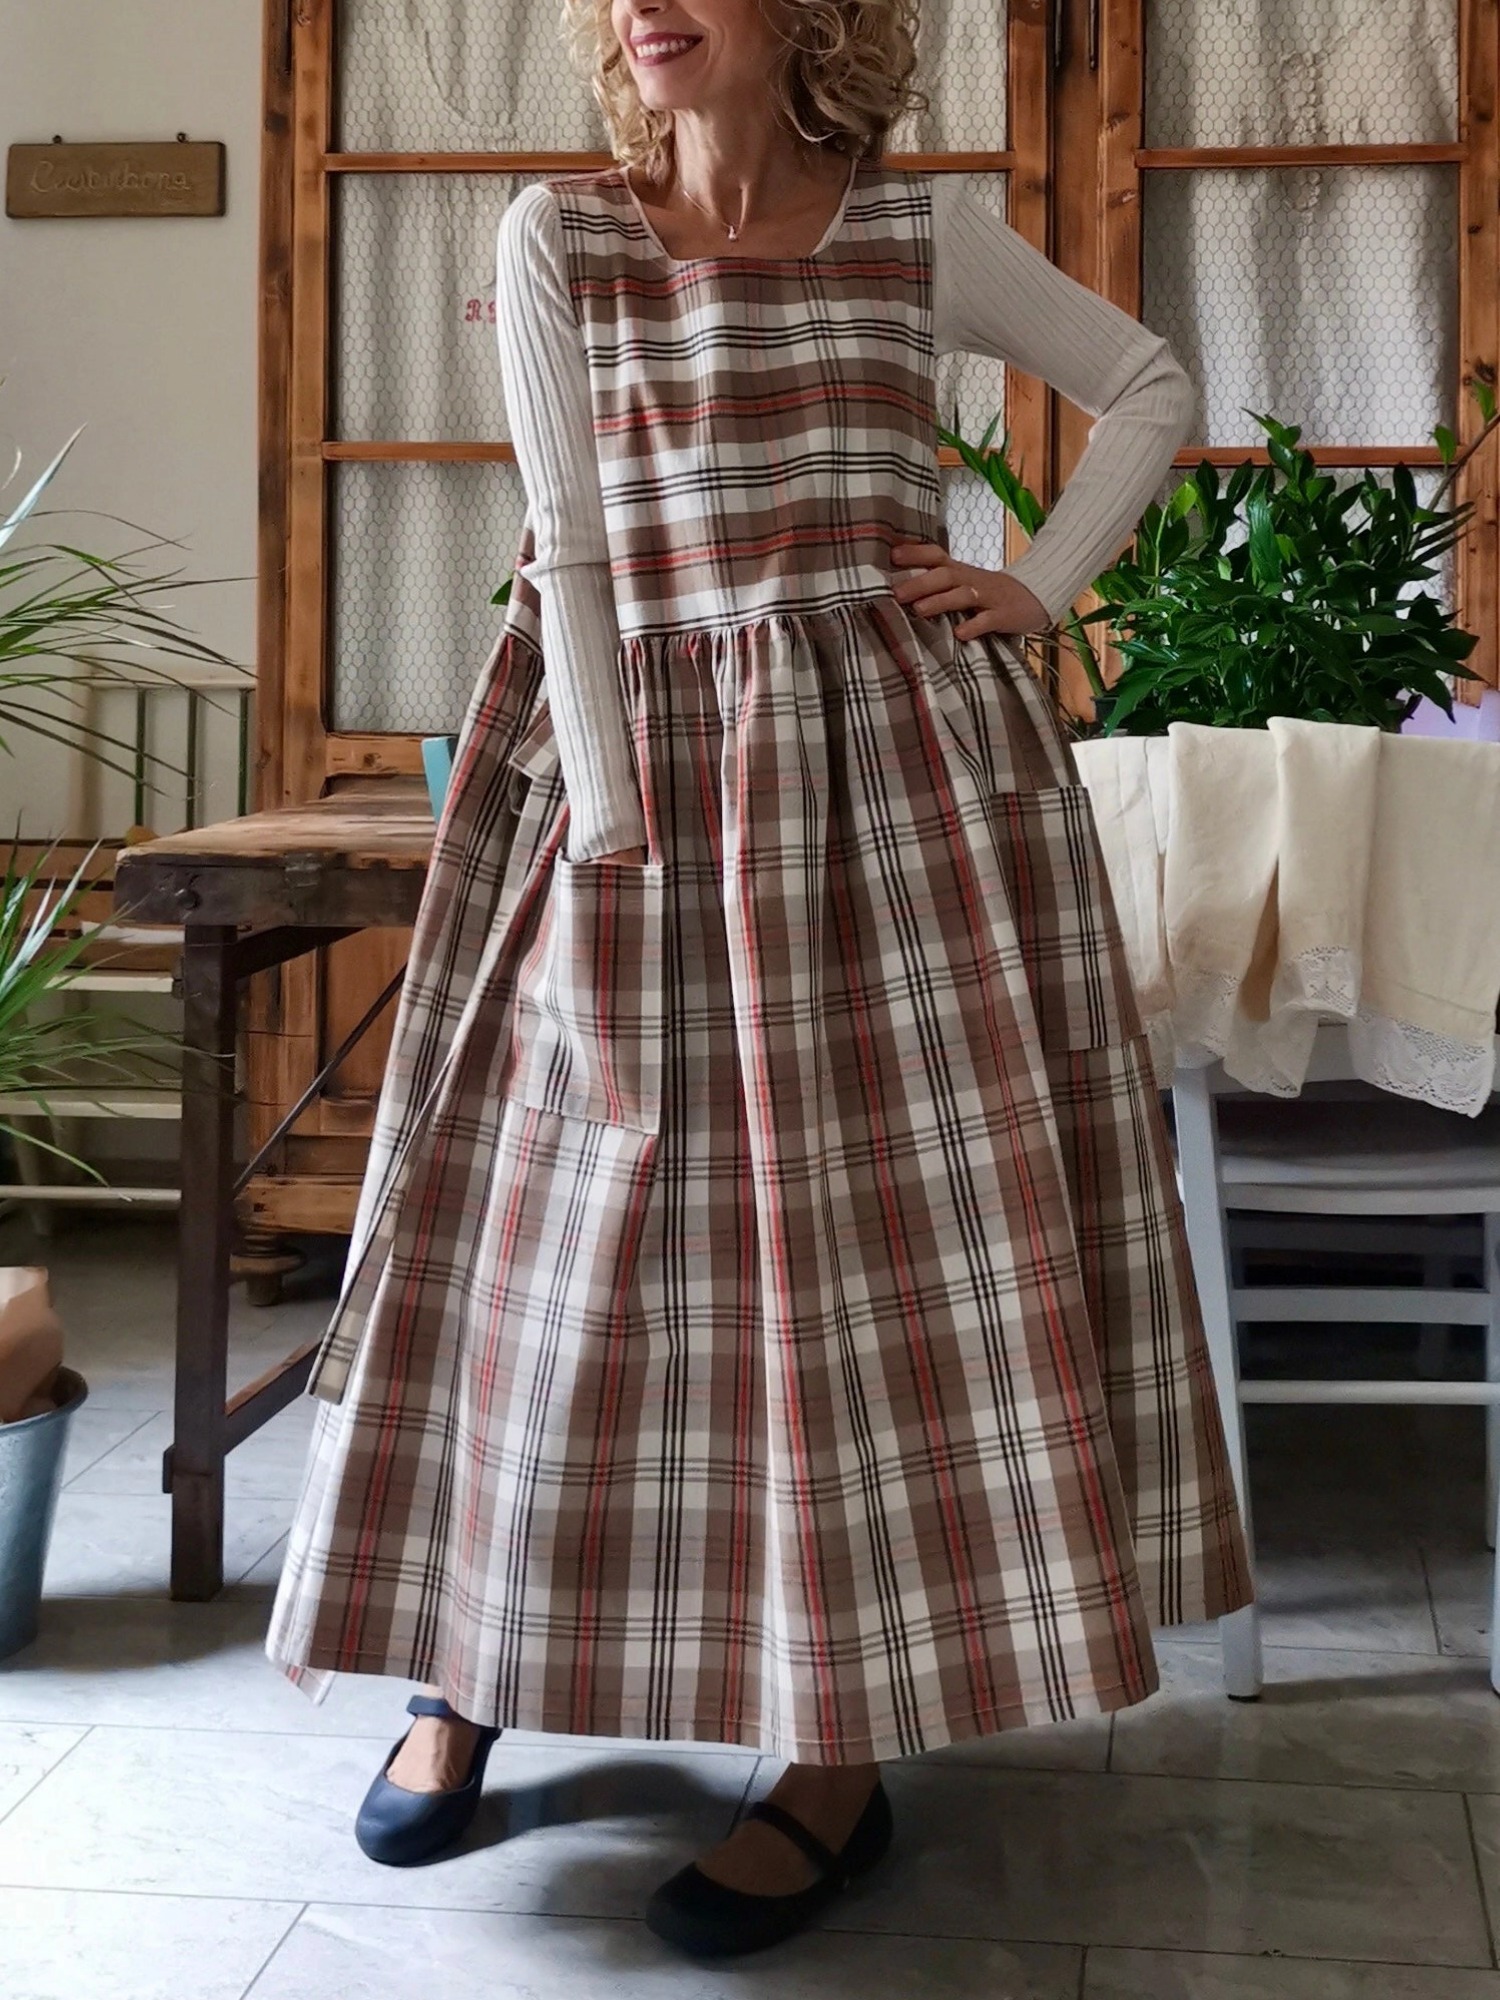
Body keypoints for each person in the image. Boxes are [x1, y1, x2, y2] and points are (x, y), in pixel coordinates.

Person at [267, 0, 1251, 1960]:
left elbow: (1148, 384)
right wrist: (613, 820)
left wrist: (1037, 588)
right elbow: (573, 549)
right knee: (547, 1235)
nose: (643, 1)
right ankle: (467, 1665)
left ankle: (832, 1750)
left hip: (890, 803)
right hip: (628, 772)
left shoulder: (916, 232)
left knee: (854, 1262)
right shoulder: (561, 236)